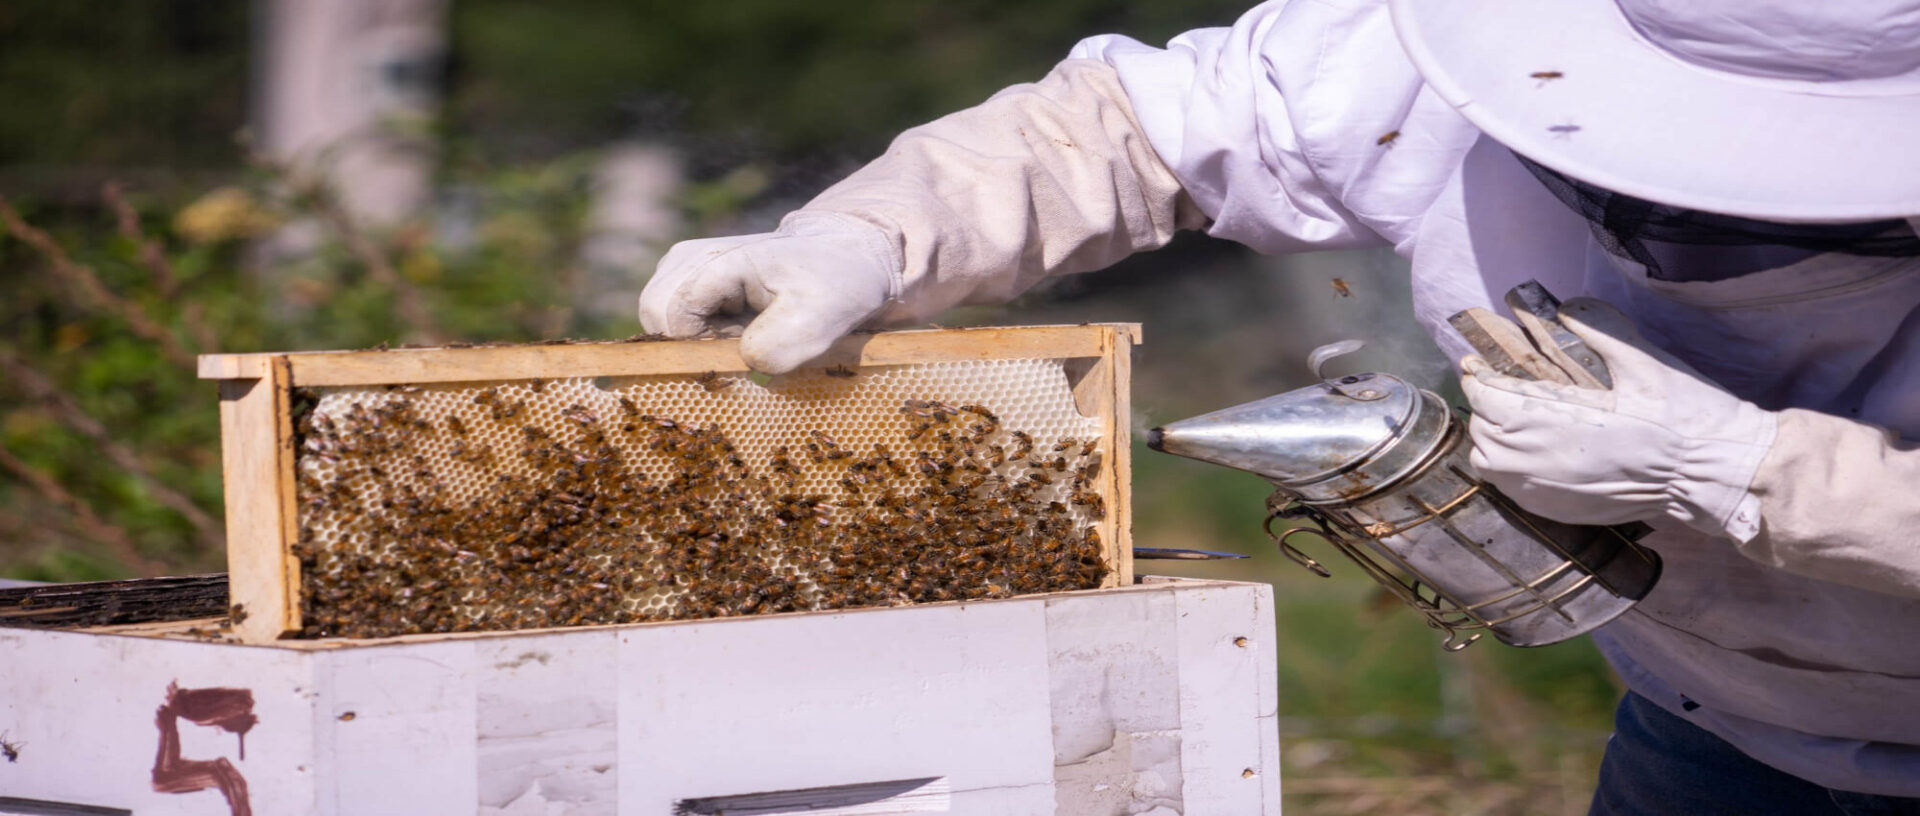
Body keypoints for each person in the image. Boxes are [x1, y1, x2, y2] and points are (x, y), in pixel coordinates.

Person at [639, 0, 1920, 811]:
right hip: (1718, 738)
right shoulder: (1437, 61)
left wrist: (1750, 471)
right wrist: (868, 236)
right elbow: (1120, 126)